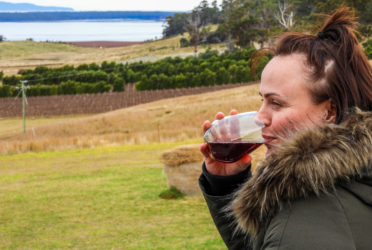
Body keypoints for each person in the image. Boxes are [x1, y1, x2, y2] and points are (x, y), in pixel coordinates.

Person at [199, 7, 372, 250]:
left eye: (276, 103)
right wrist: (229, 184)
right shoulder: (355, 180)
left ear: (329, 111)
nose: (260, 117)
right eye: (262, 100)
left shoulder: (304, 214)